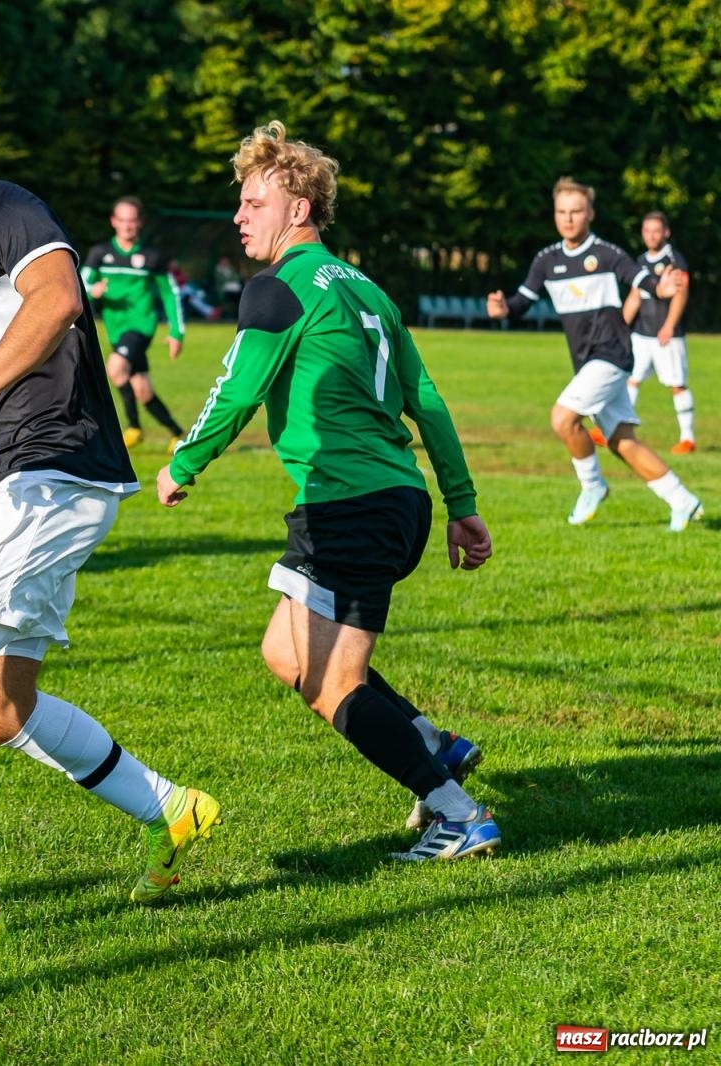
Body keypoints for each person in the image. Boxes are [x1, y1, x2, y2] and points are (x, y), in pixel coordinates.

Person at [0, 80, 220, 950]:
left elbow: (58, 301)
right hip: (31, 480)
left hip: (59, 478)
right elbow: (18, 373)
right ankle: (174, 809)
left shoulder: (5, 211)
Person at [157, 121, 497, 861]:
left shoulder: (280, 288)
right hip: (393, 500)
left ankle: (455, 813)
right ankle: (434, 744)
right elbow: (427, 400)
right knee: (285, 652)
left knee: (328, 680)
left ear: (299, 209)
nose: (241, 215)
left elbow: (237, 387)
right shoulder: (367, 288)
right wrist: (462, 504)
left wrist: (182, 463)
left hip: (346, 504)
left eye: (254, 201)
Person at [486, 179, 700, 531]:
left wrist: (661, 287)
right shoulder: (546, 259)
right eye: (562, 212)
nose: (568, 218)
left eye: (576, 211)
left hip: (612, 354)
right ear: (555, 215)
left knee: (563, 419)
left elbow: (639, 278)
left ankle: (592, 485)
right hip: (587, 363)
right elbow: (522, 301)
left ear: (590, 214)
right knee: (621, 442)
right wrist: (502, 309)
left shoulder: (606, 254)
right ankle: (683, 500)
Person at [81, 197, 190, 450]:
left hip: (141, 327)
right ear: (113, 222)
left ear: (140, 223)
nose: (127, 226)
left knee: (116, 368)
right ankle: (177, 432)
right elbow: (79, 285)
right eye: (122, 220)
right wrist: (92, 291)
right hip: (115, 330)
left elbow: (170, 293)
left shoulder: (152, 257)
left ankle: (133, 428)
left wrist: (176, 332)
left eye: (132, 221)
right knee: (141, 388)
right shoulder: (100, 254)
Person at [627, 211, 694, 453]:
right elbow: (635, 296)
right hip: (641, 333)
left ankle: (687, 438)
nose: (651, 235)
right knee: (631, 380)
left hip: (667, 336)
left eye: (656, 230)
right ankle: (616, 430)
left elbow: (681, 292)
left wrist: (669, 325)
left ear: (666, 232)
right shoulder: (640, 261)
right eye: (647, 231)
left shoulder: (674, 260)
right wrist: (621, 325)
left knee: (676, 384)